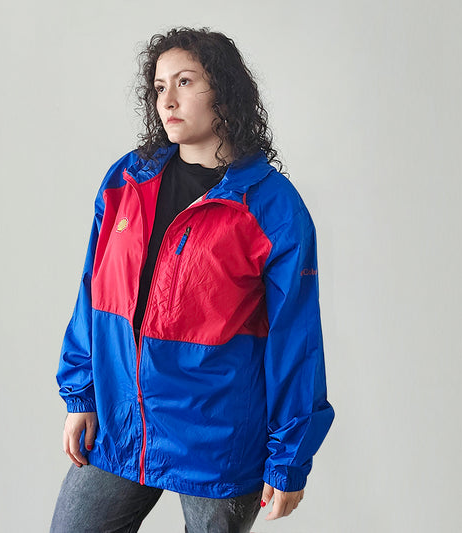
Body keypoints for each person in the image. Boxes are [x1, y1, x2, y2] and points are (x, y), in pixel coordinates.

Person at [51, 27, 334, 533]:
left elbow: (296, 341)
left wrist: (289, 458)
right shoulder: (126, 181)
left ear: (223, 91)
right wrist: (82, 395)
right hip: (122, 424)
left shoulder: (272, 207)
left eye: (184, 82)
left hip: (217, 444)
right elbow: (93, 293)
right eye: (160, 87)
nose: (168, 100)